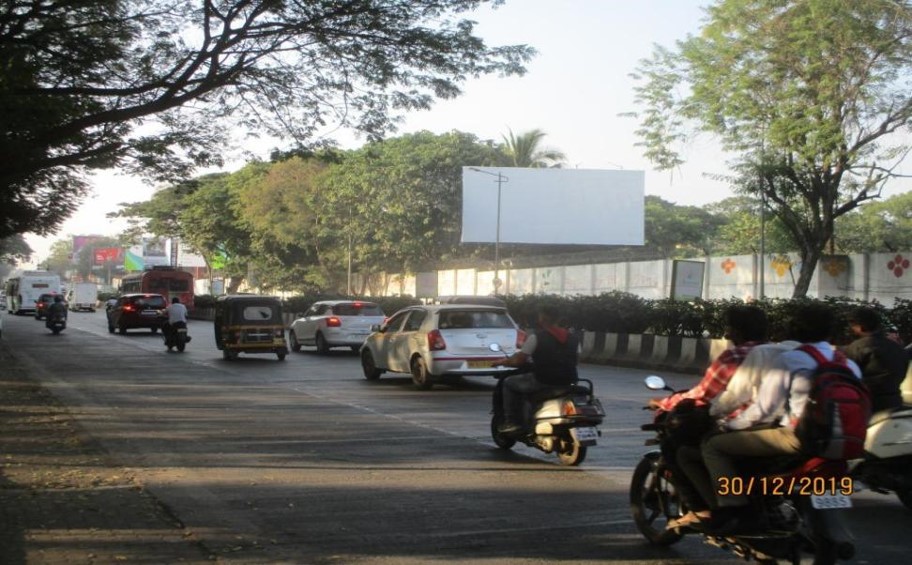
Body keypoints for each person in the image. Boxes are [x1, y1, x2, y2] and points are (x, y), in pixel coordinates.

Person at [695, 302, 861, 533]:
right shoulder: (849, 364)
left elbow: (764, 409)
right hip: (846, 442)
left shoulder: (791, 360)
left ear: (792, 329)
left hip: (799, 438)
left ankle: (734, 508)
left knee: (713, 446)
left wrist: (729, 425)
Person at [649, 304, 771, 530]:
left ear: (737, 331)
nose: (726, 334)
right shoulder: (777, 353)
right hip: (775, 425)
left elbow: (706, 394)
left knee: (679, 450)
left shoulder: (733, 356)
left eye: (730, 328)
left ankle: (703, 510)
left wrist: (665, 403)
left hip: (739, 422)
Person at [497, 304, 579, 435]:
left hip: (543, 380)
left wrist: (503, 362)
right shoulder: (574, 339)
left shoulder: (536, 337)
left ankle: (512, 422)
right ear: (559, 319)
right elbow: (576, 360)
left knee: (508, 383)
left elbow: (519, 361)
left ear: (542, 318)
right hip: (569, 381)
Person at [842, 306, 907, 413]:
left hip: (868, 405)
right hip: (895, 403)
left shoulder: (857, 347)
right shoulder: (897, 347)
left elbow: (848, 377)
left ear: (860, 327)